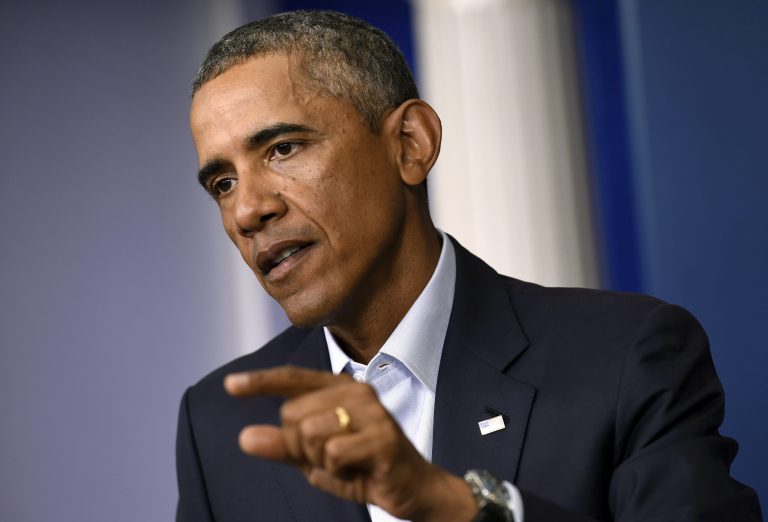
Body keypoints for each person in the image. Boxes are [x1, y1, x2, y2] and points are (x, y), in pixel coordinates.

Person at [176, 10, 762, 522]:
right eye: (222, 183)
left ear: (410, 143)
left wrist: (459, 508)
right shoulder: (221, 423)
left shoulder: (626, 357)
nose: (248, 209)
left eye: (283, 148)